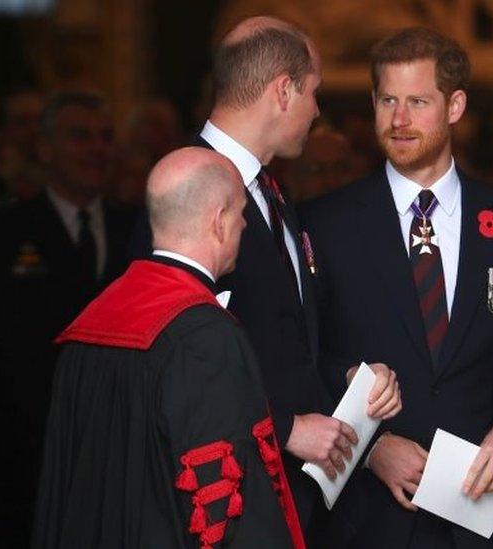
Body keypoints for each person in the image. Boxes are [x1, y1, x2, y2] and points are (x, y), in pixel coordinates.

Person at [301, 27, 493, 547]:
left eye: (417, 102)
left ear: (455, 106)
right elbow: (304, 356)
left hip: (488, 513)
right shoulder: (325, 224)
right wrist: (369, 445)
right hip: (370, 521)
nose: (399, 120)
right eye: (387, 101)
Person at [128, 16, 402, 540]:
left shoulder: (270, 193)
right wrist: (284, 428)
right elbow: (170, 364)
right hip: (224, 500)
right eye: (314, 93)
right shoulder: (186, 188)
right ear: (283, 91)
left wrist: (346, 377)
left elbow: (283, 337)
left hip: (290, 499)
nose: (318, 111)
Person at [34, 147, 305, 547]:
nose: (245, 225)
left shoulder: (91, 322)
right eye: (241, 213)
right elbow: (226, 511)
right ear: (218, 222)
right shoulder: (205, 338)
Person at [0, 91, 136, 548]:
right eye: (79, 136)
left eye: (105, 138)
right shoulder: (1, 234)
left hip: (118, 455)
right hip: (26, 454)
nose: (96, 149)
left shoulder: (137, 229)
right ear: (45, 148)